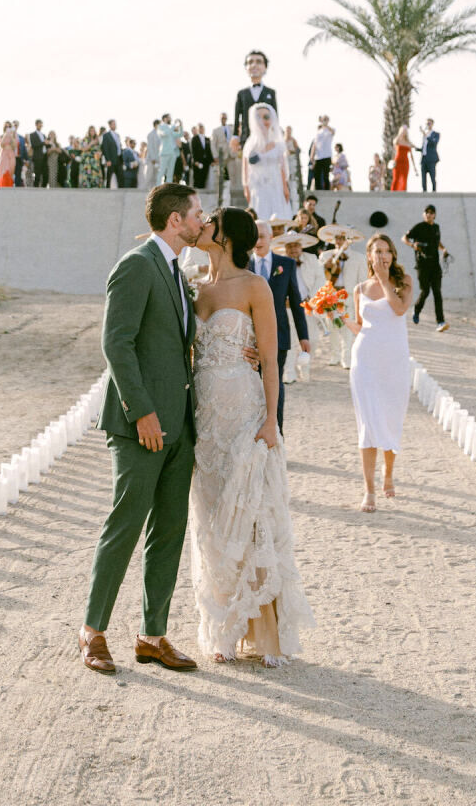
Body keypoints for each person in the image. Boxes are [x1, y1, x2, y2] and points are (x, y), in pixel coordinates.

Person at [79, 183, 205, 676]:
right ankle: (92, 631)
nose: (202, 221)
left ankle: (152, 635)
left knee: (169, 530)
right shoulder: (135, 266)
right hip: (142, 425)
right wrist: (142, 411)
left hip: (181, 424)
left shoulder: (176, 271)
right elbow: (117, 344)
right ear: (176, 221)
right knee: (125, 524)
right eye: (197, 213)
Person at [190, 207, 314, 664]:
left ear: (226, 236)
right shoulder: (195, 288)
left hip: (244, 413)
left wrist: (269, 420)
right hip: (204, 421)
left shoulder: (254, 286)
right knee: (211, 518)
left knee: (252, 514)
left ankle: (262, 630)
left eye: (209, 223)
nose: (201, 226)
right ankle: (224, 628)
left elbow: (269, 356)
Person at [343, 233, 413, 513]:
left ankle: (388, 473)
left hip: (394, 361)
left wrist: (385, 280)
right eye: (377, 251)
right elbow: (362, 325)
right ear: (369, 256)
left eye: (387, 251)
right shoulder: (359, 288)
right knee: (368, 425)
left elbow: (398, 309)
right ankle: (369, 489)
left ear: (393, 255)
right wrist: (340, 318)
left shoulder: (404, 282)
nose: (383, 255)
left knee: (391, 420)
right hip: (366, 361)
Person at [249, 220, 309, 435]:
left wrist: (304, 336)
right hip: (250, 337)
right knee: (252, 386)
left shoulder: (286, 264)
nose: (258, 241)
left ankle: (277, 431)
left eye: (262, 236)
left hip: (279, 335)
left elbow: (295, 301)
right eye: (254, 236)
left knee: (275, 384)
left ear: (271, 238)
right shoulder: (243, 265)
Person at [273, 231, 323, 383]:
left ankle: (305, 369)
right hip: (287, 308)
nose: (293, 249)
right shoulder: (280, 263)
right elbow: (275, 284)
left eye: (296, 245)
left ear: (301, 247)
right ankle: (289, 373)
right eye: (290, 246)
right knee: (289, 341)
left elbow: (321, 280)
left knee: (311, 339)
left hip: (307, 305)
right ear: (285, 248)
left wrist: (312, 299)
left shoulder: (312, 259)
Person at [318, 228, 368, 369]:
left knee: (347, 327)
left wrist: (361, 300)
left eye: (342, 238)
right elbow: (317, 275)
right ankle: (334, 355)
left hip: (348, 295)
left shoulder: (359, 258)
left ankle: (346, 358)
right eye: (337, 238)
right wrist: (324, 266)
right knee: (332, 326)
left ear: (348, 240)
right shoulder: (325, 256)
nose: (339, 241)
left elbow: (362, 281)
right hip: (330, 295)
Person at [403, 204, 451, 331]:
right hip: (422, 265)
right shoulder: (419, 227)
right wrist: (413, 245)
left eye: (431, 212)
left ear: (434, 215)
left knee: (437, 292)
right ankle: (417, 310)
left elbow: (437, 241)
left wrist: (443, 249)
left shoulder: (436, 227)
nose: (429, 214)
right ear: (423, 214)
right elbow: (404, 238)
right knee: (425, 291)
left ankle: (440, 322)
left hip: (435, 265)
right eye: (427, 212)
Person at [242, 103, 290, 221]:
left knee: (278, 214)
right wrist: (246, 188)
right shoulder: (250, 144)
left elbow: (282, 167)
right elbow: (245, 168)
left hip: (275, 184)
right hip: (257, 185)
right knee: (260, 214)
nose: (263, 120)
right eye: (258, 117)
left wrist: (285, 187)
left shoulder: (278, 144)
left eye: (266, 117)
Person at [233, 50, 277, 143]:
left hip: (267, 140)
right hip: (247, 140)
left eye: (259, 62)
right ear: (246, 67)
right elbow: (237, 117)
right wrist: (235, 136)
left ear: (265, 67)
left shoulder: (271, 92)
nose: (254, 65)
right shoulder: (241, 93)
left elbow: (275, 116)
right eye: (250, 62)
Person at [390, 125, 417, 192]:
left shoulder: (408, 142)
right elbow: (394, 142)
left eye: (405, 131)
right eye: (403, 130)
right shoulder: (398, 140)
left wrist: (414, 168)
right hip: (397, 161)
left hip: (405, 162)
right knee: (396, 178)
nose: (404, 132)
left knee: (404, 179)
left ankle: (403, 194)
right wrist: (400, 134)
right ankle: (393, 194)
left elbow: (411, 156)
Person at [311, 116, 335, 191]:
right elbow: (315, 144)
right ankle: (318, 190)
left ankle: (327, 190)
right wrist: (312, 155)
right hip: (318, 156)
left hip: (327, 155)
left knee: (326, 175)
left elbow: (333, 132)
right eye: (323, 120)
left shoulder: (330, 130)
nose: (324, 121)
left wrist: (326, 125)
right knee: (317, 175)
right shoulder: (318, 131)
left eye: (325, 119)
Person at [156, 115, 180, 184]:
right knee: (162, 171)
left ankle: (168, 187)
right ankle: (158, 186)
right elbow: (164, 134)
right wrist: (172, 127)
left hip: (172, 153)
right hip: (164, 152)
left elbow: (179, 135)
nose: (170, 119)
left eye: (170, 117)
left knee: (170, 172)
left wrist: (180, 126)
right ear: (164, 119)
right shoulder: (160, 127)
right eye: (168, 117)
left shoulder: (171, 128)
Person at [101, 119, 124, 188]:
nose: (115, 125)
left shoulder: (117, 135)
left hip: (119, 158)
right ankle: (107, 190)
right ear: (110, 125)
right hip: (111, 159)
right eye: (113, 124)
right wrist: (108, 160)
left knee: (120, 176)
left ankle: (121, 191)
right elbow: (105, 148)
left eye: (115, 124)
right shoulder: (106, 135)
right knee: (109, 177)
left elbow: (119, 146)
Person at [420, 118, 440, 192]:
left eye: (429, 123)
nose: (428, 125)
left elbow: (434, 143)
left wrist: (426, 135)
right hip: (424, 159)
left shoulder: (436, 134)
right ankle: (424, 191)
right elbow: (424, 148)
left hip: (431, 159)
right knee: (423, 177)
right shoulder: (425, 135)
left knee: (432, 176)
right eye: (427, 123)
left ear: (432, 124)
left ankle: (434, 191)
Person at [190, 124, 213, 190]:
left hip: (206, 162)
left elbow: (209, 151)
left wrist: (211, 161)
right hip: (198, 162)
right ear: (197, 129)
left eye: (202, 127)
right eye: (200, 128)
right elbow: (193, 151)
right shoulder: (194, 139)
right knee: (197, 179)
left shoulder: (207, 139)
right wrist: (195, 161)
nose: (201, 129)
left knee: (204, 178)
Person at [0, 122, 17, 187]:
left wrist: (12, 135)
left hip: (11, 154)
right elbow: (1, 144)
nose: (8, 128)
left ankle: (10, 185)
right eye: (6, 127)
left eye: (9, 127)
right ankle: (3, 185)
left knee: (11, 169)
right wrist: (5, 134)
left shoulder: (13, 135)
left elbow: (14, 146)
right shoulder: (2, 136)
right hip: (3, 155)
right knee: (4, 170)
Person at [29, 120, 48, 187]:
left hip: (45, 157)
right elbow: (34, 145)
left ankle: (44, 188)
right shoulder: (32, 135)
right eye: (40, 124)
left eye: (41, 124)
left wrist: (49, 144)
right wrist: (43, 143)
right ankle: (36, 188)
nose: (41, 126)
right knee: (37, 174)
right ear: (36, 124)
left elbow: (46, 145)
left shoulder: (43, 135)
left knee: (46, 174)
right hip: (37, 157)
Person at [145, 120, 161, 187]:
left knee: (157, 177)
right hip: (151, 160)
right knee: (149, 176)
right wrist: (153, 159)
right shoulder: (150, 134)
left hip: (158, 159)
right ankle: (145, 190)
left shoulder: (160, 134)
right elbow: (150, 147)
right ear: (155, 125)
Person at [13, 121, 28, 188]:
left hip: (19, 158)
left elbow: (24, 149)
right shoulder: (8, 135)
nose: (15, 126)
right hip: (10, 158)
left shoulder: (21, 138)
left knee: (18, 174)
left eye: (16, 125)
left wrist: (27, 159)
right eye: (14, 125)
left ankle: (17, 188)